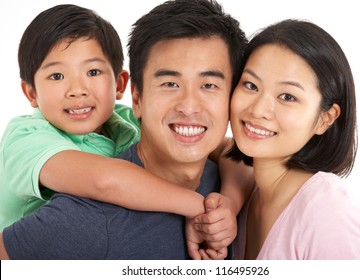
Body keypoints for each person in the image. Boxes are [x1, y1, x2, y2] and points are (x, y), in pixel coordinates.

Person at [0, 0, 248, 259]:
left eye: (209, 85)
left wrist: (227, 203)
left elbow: (231, 149)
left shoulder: (122, 123)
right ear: (138, 98)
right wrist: (199, 209)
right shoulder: (26, 138)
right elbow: (105, 181)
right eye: (170, 83)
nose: (77, 90)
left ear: (120, 86)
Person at [225, 19, 360, 259]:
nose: (258, 109)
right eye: (251, 85)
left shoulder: (326, 211)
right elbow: (219, 147)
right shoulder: (252, 194)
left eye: (287, 96)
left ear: (325, 119)